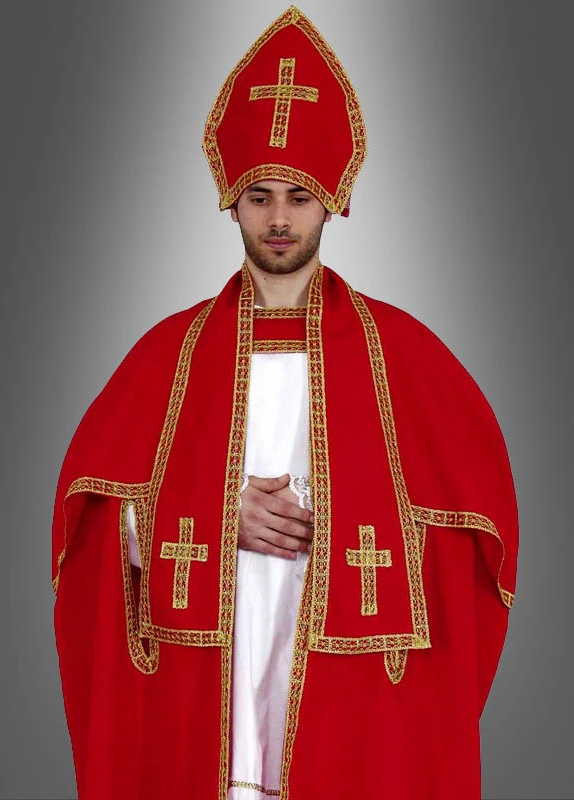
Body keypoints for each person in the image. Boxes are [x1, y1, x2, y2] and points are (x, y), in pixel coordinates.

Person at [52, 7, 519, 800]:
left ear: (331, 202)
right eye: (259, 196)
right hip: (207, 689)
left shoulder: (404, 356)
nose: (276, 219)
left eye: (298, 197)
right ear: (230, 202)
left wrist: (352, 513)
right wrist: (208, 510)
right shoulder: (166, 356)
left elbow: (482, 531)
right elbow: (85, 519)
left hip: (349, 699)